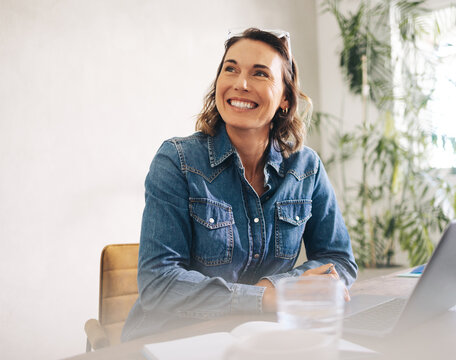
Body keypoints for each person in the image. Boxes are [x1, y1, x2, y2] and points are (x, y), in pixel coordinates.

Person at [121, 28, 357, 341]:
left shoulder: (306, 167)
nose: (240, 84)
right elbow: (158, 284)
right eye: (230, 69)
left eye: (260, 74)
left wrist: (274, 288)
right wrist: (272, 298)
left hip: (257, 338)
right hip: (173, 340)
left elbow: (339, 261)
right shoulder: (177, 160)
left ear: (285, 99)